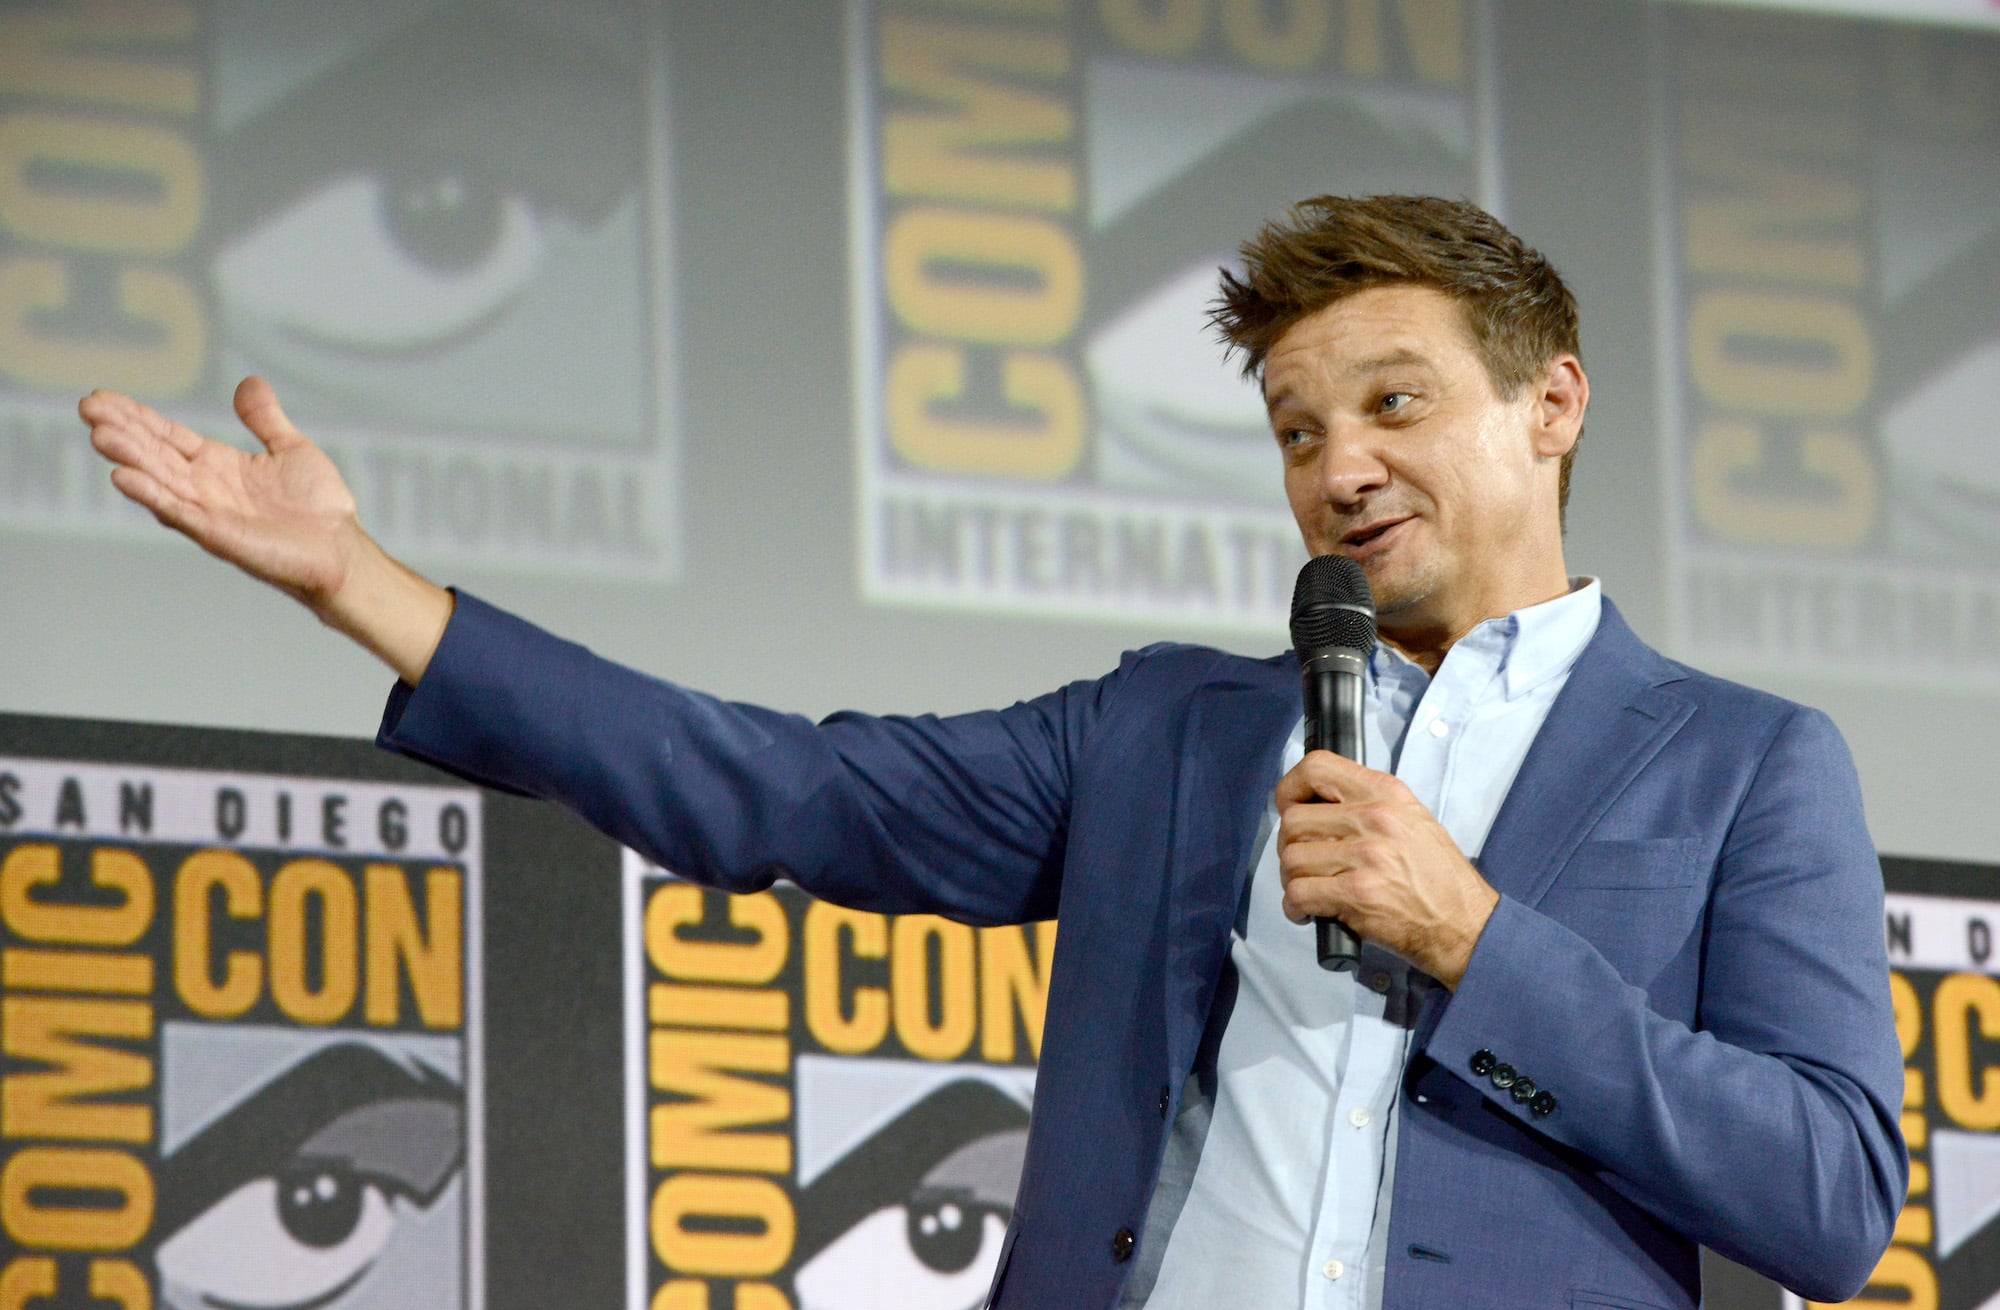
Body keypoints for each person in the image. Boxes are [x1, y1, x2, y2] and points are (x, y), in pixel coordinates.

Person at [81, 194, 1905, 1309]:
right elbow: (775, 786)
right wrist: (366, 585)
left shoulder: (1744, 763)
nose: (1338, 466)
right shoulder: (1169, 730)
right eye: (1295, 430)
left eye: (1393, 403)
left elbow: (1828, 1198)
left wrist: (1473, 939)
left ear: (1551, 401)